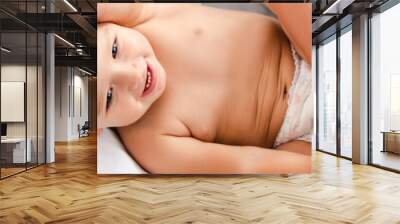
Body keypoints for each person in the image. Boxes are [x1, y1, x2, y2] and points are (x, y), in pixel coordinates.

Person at [97, 3, 312, 174]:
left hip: (299, 46)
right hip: (295, 133)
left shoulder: (141, 16)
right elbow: (244, 163)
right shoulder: (149, 143)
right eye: (108, 97)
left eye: (115, 49)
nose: (133, 75)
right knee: (290, 168)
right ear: (97, 130)